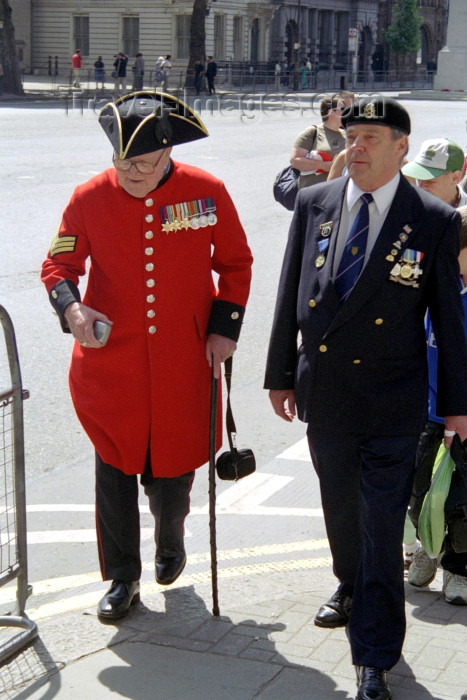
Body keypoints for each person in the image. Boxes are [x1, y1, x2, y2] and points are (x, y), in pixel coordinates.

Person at [264, 96, 467, 700]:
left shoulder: (432, 218)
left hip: (391, 398)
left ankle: (375, 653)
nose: (356, 147)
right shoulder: (314, 202)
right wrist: (279, 374)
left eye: (372, 137)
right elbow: (289, 293)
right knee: (340, 510)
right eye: (352, 136)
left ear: (402, 147)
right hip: (325, 392)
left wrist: (457, 403)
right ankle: (349, 582)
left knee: (381, 524)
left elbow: (449, 321)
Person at [40, 91, 253, 622]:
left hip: (185, 360)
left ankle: (171, 532)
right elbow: (57, 268)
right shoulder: (89, 197)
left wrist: (224, 330)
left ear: (167, 154)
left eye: (140, 162)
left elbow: (235, 263)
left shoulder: (206, 192)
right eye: (120, 161)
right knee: (113, 467)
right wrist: (73, 311)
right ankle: (121, 578)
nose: (127, 171)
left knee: (170, 471)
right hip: (111, 366)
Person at [400, 140, 467, 603]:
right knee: (420, 484)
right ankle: (427, 543)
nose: (421, 185)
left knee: (460, 497)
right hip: (422, 404)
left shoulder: (459, 230)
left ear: (458, 177)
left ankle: (457, 566)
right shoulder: (410, 222)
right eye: (417, 176)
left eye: (431, 177)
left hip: (459, 410)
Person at [290, 92, 354, 190]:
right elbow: (295, 161)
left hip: (338, 192)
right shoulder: (313, 132)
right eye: (342, 109)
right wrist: (322, 165)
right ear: (330, 112)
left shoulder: (347, 134)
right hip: (312, 192)